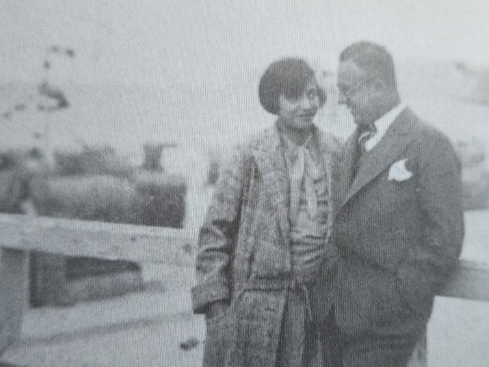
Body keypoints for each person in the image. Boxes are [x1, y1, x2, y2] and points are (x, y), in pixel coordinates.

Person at [318, 42, 465, 367]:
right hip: (334, 318)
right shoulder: (352, 144)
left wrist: (397, 300)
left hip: (384, 329)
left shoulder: (430, 146)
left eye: (347, 90)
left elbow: (444, 240)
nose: (340, 100)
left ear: (378, 86)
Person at [192, 58, 342, 367]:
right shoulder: (250, 154)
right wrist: (218, 308)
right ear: (275, 101)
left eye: (312, 95)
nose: (306, 105)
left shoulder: (337, 153)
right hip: (256, 311)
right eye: (294, 97)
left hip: (317, 309)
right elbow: (215, 232)